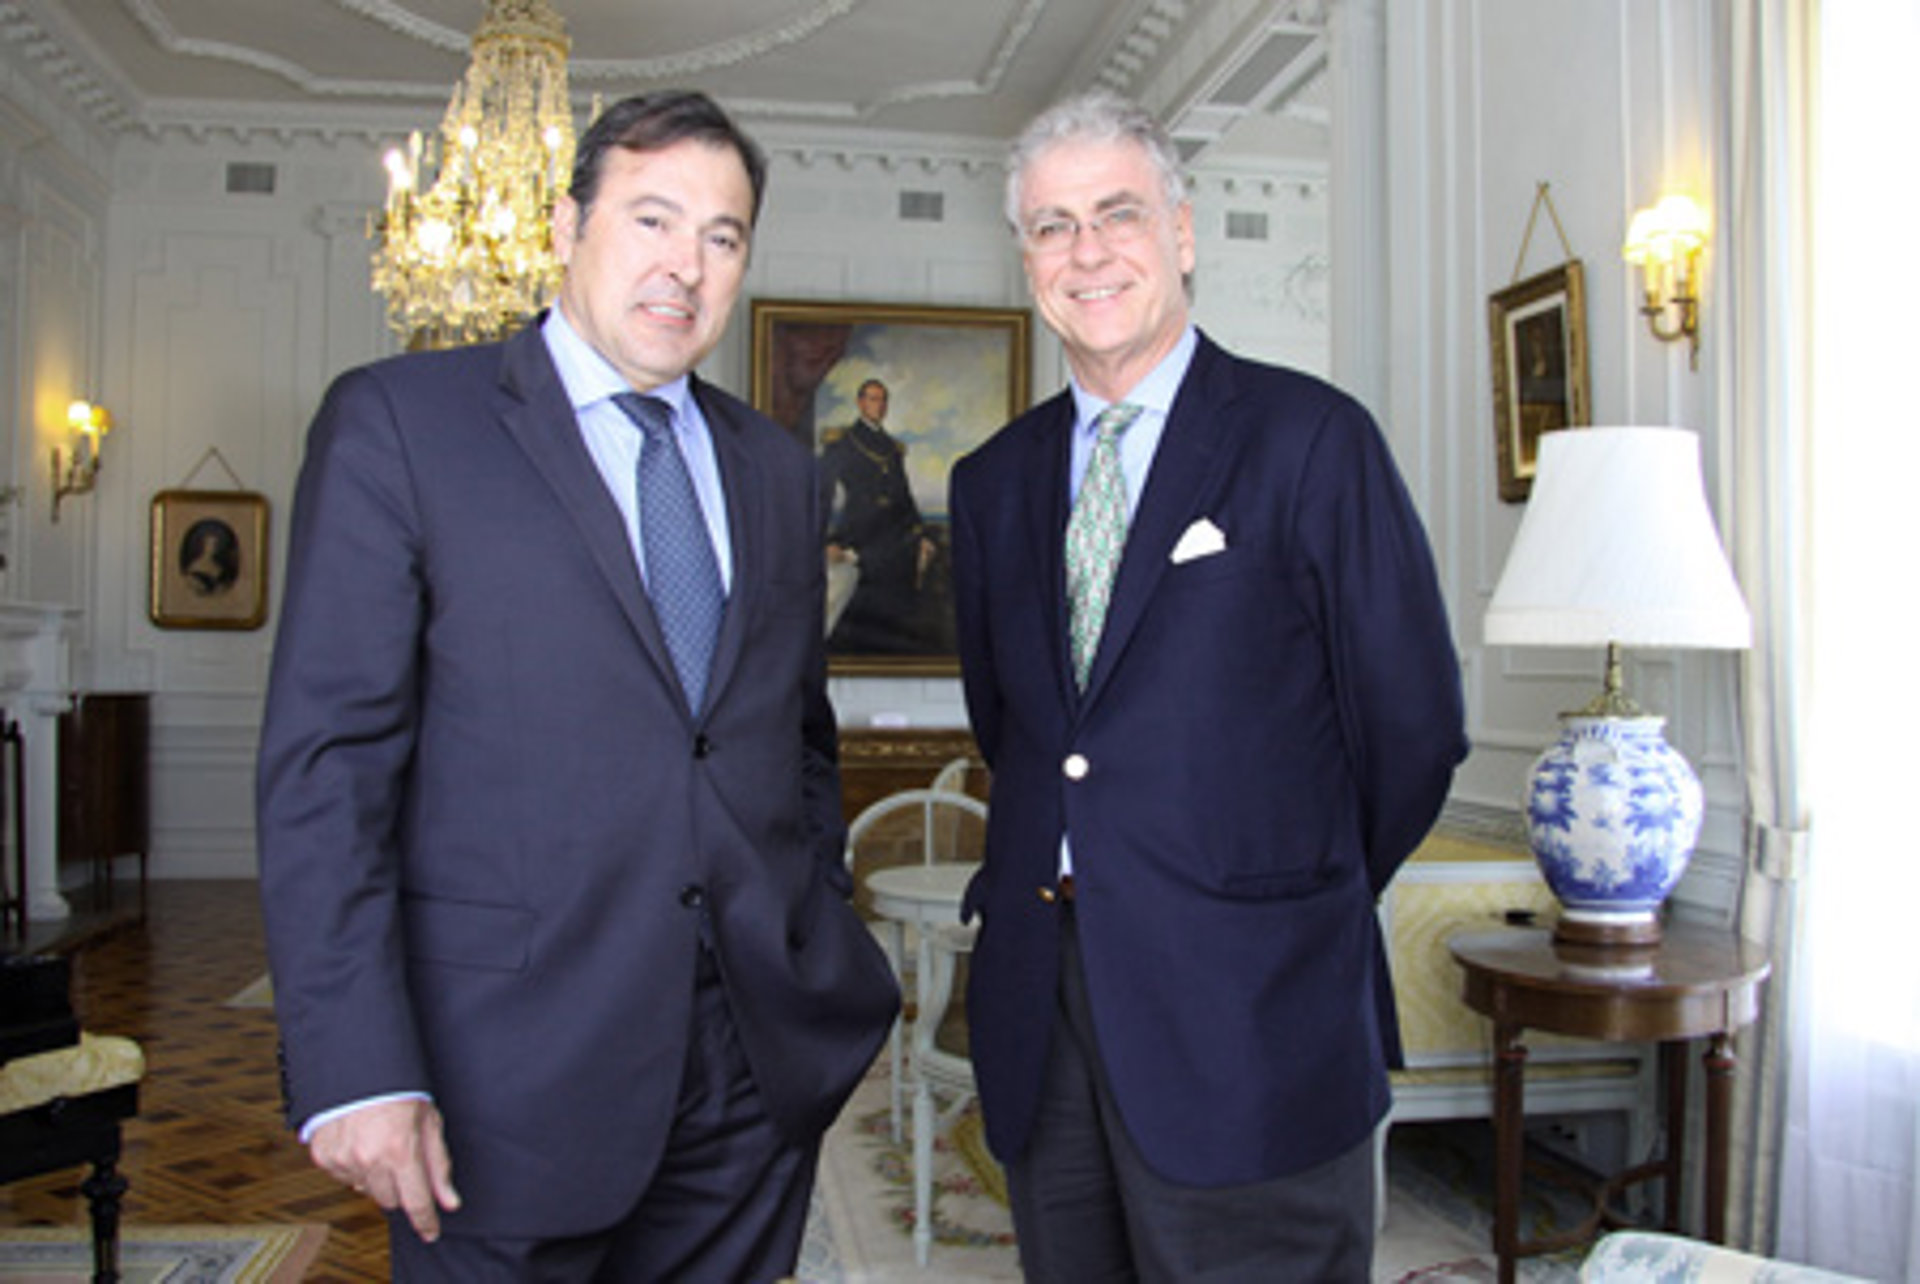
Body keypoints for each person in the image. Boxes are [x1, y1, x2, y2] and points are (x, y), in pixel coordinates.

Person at [255, 90, 898, 1282]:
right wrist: (356, 1067)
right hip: (498, 1083)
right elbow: (326, 773)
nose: (685, 265)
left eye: (721, 236)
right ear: (565, 227)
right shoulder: (401, 425)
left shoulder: (775, 469)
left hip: (750, 1079)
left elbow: (793, 742)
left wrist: (814, 919)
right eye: (652, 219)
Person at [947, 90, 1467, 1282]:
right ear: (1026, 258)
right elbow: (1019, 731)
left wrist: (1281, 896)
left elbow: (1412, 730)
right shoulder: (991, 482)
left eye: (1117, 214)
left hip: (1255, 1016)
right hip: (1044, 1012)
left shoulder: (1312, 440)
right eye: (1053, 226)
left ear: (1181, 232)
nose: (1087, 251)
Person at [817, 378, 937, 652]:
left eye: (883, 400)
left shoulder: (892, 449)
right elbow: (820, 494)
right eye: (873, 399)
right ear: (860, 403)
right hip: (857, 535)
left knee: (896, 617)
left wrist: (922, 534)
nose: (879, 406)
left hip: (892, 540)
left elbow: (904, 498)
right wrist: (827, 540)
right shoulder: (843, 444)